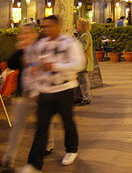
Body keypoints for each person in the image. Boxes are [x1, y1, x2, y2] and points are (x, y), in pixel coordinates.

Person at [21, 16, 85, 173]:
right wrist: (34, 88)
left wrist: (55, 66)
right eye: (43, 27)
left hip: (65, 89)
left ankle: (72, 149)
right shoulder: (40, 45)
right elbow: (33, 67)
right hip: (45, 91)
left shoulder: (70, 43)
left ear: (58, 27)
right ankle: (34, 164)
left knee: (67, 122)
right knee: (41, 127)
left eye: (48, 26)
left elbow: (79, 64)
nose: (44, 30)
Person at [1, 25, 55, 172]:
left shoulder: (40, 48)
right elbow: (11, 64)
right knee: (17, 125)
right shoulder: (21, 50)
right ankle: (9, 158)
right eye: (23, 34)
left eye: (29, 33)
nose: (26, 36)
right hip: (24, 93)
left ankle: (49, 145)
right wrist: (20, 50)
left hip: (40, 93)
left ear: (34, 35)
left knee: (44, 122)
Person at [76, 18, 94, 106]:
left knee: (83, 80)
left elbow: (83, 47)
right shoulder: (83, 34)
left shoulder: (85, 35)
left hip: (84, 62)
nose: (77, 27)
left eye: (79, 25)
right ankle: (83, 96)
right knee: (82, 79)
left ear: (83, 26)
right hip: (82, 61)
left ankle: (86, 97)